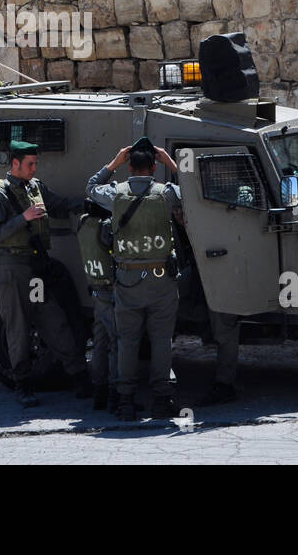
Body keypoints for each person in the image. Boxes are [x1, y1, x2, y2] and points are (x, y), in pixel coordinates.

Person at [0, 139, 93, 409]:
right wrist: (25, 217)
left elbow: (59, 204)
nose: (34, 168)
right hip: (11, 269)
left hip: (35, 269)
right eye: (30, 163)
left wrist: (89, 205)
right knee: (18, 328)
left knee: (52, 320)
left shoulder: (36, 188)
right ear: (15, 164)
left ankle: (80, 376)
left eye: (36, 163)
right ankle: (22, 384)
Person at [87, 137, 182, 421]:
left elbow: (90, 188)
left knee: (127, 341)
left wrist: (114, 162)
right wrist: (172, 164)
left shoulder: (116, 193)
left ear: (130, 169)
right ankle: (162, 400)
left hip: (127, 280)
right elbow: (195, 190)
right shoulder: (167, 193)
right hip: (161, 280)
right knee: (161, 340)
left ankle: (126, 402)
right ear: (154, 166)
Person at [75, 200, 119, 412]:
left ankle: (99, 393)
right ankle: (115, 395)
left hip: (95, 286)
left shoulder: (83, 224)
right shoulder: (106, 226)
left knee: (100, 343)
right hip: (110, 290)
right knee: (116, 344)